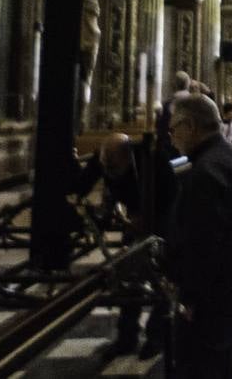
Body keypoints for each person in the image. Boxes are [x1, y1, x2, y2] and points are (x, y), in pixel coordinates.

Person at [166, 93, 232, 378]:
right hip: (231, 279)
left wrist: (190, 297)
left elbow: (203, 244)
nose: (171, 136)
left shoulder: (206, 172)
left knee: (200, 366)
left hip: (211, 292)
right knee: (218, 363)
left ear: (190, 125)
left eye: (173, 128)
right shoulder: (226, 156)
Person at [75, 133, 175, 359]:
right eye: (106, 167)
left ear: (128, 157)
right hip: (132, 218)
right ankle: (127, 336)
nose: (110, 173)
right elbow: (81, 185)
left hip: (162, 217)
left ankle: (156, 336)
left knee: (164, 275)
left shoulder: (152, 158)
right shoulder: (103, 159)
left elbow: (171, 193)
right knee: (129, 275)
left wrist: (148, 217)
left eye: (115, 167)